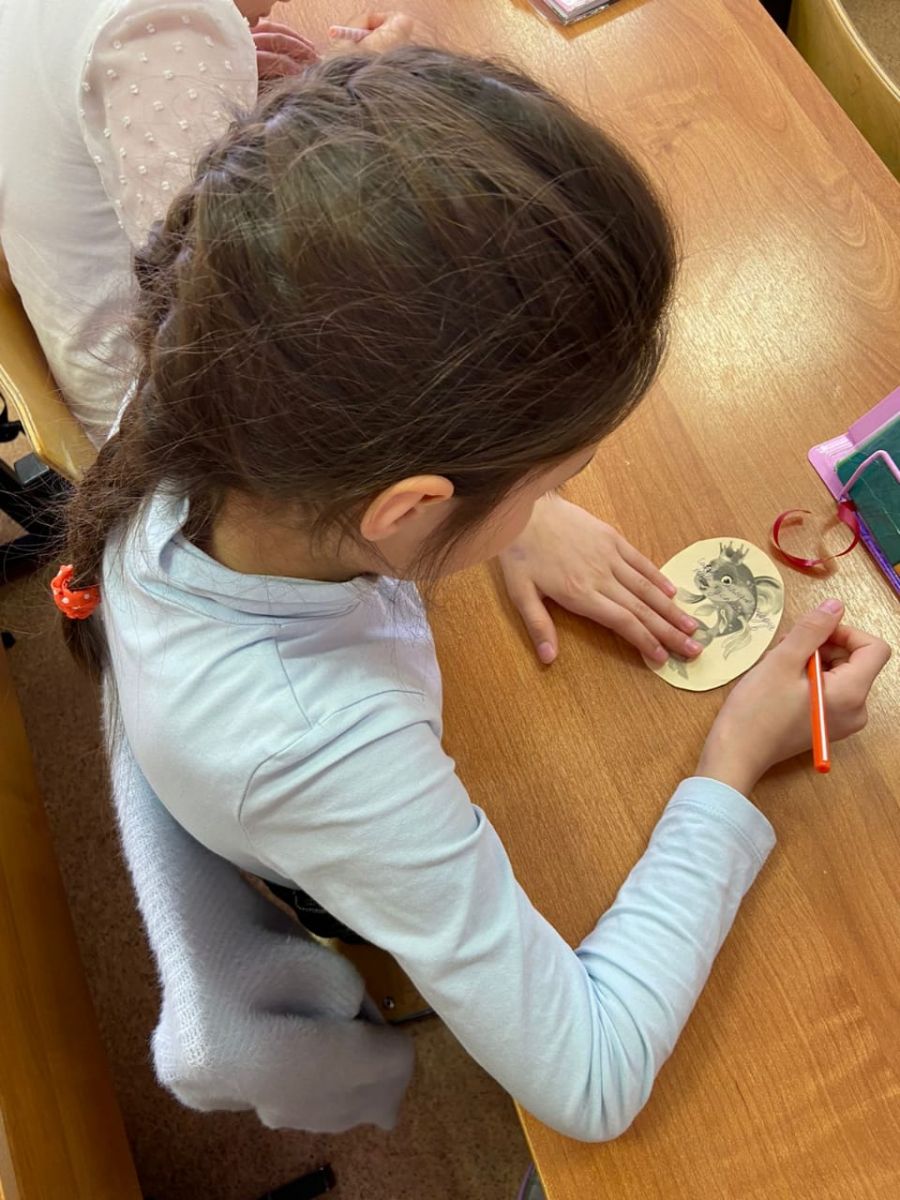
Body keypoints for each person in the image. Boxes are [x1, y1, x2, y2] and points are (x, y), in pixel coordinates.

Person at [57, 49, 889, 1141]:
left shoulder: (211, 377)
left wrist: (509, 515)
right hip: (338, 854)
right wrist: (737, 759)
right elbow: (591, 1079)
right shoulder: (327, 749)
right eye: (555, 477)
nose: (556, 498)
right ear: (406, 505)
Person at [0, 1, 401, 445]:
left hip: (87, 352)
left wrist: (232, 90)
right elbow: (245, 297)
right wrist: (354, 93)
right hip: (173, 418)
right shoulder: (163, 20)